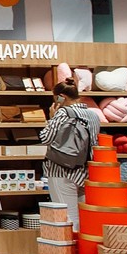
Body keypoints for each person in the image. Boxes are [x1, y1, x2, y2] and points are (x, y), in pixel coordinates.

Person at [39, 78, 100, 230]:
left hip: (61, 171)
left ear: (62, 97)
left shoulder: (63, 113)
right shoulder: (93, 115)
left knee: (66, 218)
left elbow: (45, 138)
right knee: (83, 218)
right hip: (85, 172)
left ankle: (69, 245)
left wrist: (52, 118)